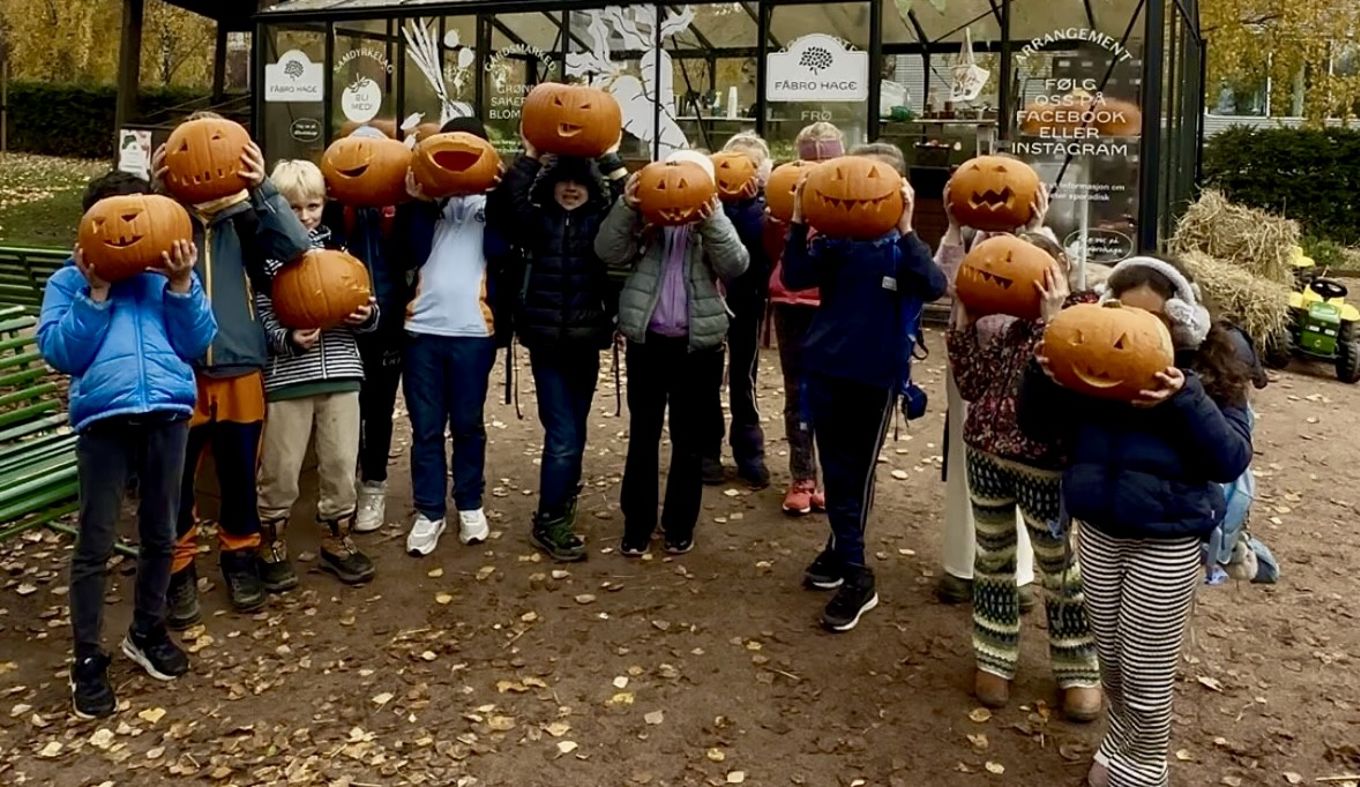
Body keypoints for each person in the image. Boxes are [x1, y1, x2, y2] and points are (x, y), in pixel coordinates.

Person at [1018, 255, 1253, 787]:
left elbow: (1231, 456)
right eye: (1120, 320)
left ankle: (1146, 768)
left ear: (1181, 324)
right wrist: (1044, 375)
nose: (1126, 337)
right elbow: (1036, 428)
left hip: (1165, 538)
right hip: (1099, 528)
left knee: (1146, 671)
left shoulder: (1208, 375)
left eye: (1148, 325)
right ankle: (1120, 746)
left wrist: (1183, 398)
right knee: (1114, 660)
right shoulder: (1092, 368)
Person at [38, 172, 218, 718]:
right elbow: (61, 353)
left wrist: (184, 285)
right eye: (109, 220)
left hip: (165, 415)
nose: (125, 232)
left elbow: (198, 341)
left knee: (162, 531)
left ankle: (146, 630)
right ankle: (87, 657)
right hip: (105, 423)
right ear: (89, 229)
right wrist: (95, 296)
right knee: (95, 542)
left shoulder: (166, 276)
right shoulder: (68, 284)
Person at [156, 112, 313, 627]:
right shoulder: (163, 218)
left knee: (239, 475)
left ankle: (239, 556)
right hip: (180, 371)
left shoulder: (244, 220)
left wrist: (260, 186)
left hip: (240, 366)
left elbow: (295, 247)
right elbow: (124, 241)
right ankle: (178, 568)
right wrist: (157, 192)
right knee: (175, 479)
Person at [782, 158, 947, 632]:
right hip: (827, 371)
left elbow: (934, 286)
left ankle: (857, 573)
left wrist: (908, 228)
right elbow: (793, 277)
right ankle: (842, 554)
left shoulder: (901, 252)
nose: (855, 197)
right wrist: (798, 219)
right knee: (837, 470)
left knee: (854, 474)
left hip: (875, 379)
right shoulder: (833, 246)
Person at [946, 232, 1102, 720]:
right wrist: (963, 326)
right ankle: (994, 657)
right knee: (993, 560)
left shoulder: (1084, 321)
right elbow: (971, 383)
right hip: (986, 458)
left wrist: (1053, 320)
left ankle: (1078, 668)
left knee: (1059, 567)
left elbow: (1077, 378)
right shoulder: (1011, 331)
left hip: (1045, 466)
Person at [596, 150, 749, 556]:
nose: (675, 191)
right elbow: (607, 252)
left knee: (689, 439)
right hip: (648, 344)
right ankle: (637, 523)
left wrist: (713, 219)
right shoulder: (646, 225)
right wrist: (626, 207)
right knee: (643, 435)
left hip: (699, 347)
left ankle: (680, 522)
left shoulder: (711, 227)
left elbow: (736, 265)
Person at [486, 129, 628, 561]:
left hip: (585, 342)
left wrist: (609, 157)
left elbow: (634, 205)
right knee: (564, 435)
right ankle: (549, 519)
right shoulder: (537, 222)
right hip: (545, 342)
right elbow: (504, 206)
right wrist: (528, 155)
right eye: (564, 181)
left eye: (579, 182)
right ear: (551, 186)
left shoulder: (602, 225)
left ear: (591, 188)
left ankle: (563, 497)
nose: (570, 188)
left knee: (574, 430)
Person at [253, 160, 380, 589]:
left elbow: (364, 298)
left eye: (313, 205)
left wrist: (366, 315)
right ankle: (271, 541)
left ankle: (336, 540)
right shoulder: (269, 261)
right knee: (281, 465)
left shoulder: (340, 253)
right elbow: (264, 317)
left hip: (343, 372)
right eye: (294, 207)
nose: (306, 216)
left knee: (342, 461)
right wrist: (288, 338)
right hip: (289, 378)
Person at [933, 165, 1047, 608]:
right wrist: (953, 228)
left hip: (1024, 370)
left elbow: (1054, 292)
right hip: (972, 367)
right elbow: (941, 288)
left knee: (1023, 465)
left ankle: (1017, 574)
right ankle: (962, 567)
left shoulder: (1041, 244)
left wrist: (1036, 231)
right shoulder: (969, 241)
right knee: (967, 466)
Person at [393, 116, 506, 557]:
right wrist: (419, 202)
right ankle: (429, 510)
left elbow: (499, 249)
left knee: (467, 423)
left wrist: (497, 195)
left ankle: (471, 502)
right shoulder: (423, 200)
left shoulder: (492, 203)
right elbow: (409, 252)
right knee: (425, 427)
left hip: (473, 331)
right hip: (421, 328)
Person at [327, 128, 412, 534]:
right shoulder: (330, 212)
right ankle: (340, 489)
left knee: (378, 409)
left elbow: (415, 254)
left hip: (389, 324)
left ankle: (373, 484)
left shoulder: (399, 211)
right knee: (341, 411)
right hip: (339, 326)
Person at [764, 122, 845, 515]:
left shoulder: (852, 194)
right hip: (790, 301)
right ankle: (802, 475)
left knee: (834, 392)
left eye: (824, 160)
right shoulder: (784, 193)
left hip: (831, 304)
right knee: (797, 392)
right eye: (805, 160)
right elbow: (769, 253)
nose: (812, 170)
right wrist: (774, 220)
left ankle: (832, 475)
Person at [701, 132, 773, 488]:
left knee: (744, 378)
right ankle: (707, 450)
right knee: (707, 377)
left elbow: (756, 247)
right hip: (708, 302)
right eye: (732, 164)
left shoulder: (764, 208)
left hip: (747, 300)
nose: (742, 172)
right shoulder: (705, 204)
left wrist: (745, 205)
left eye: (752, 166)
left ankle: (749, 452)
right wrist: (725, 206)